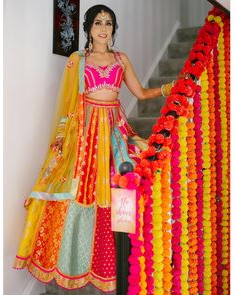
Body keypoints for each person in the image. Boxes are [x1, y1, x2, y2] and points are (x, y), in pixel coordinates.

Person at [14, 4, 175, 293]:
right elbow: (65, 107)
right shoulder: (78, 60)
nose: (103, 28)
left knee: (123, 187)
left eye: (109, 23)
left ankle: (121, 263)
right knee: (79, 191)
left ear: (114, 28)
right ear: (88, 28)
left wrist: (168, 89)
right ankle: (75, 262)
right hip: (85, 134)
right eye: (98, 22)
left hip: (114, 131)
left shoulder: (121, 59)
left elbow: (140, 93)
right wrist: (63, 139)